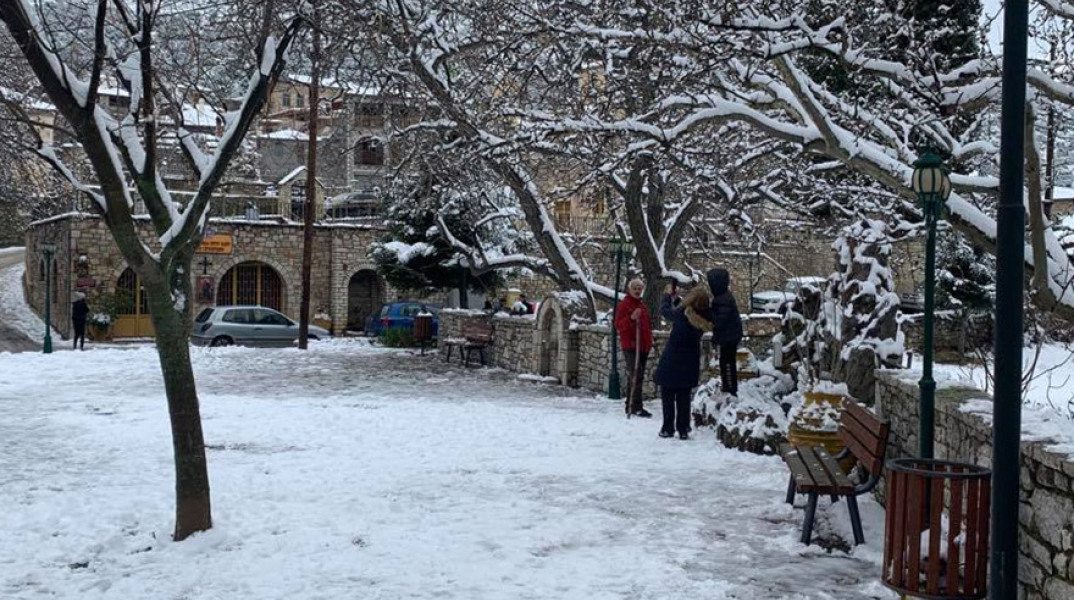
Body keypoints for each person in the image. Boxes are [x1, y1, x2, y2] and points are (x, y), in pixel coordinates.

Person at [655, 286, 712, 439]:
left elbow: (666, 312)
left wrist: (667, 296)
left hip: (672, 358)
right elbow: (686, 308)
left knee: (668, 395)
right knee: (684, 396)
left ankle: (668, 428)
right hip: (689, 361)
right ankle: (683, 428)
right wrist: (678, 300)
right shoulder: (705, 317)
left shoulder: (682, 314)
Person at [614, 278, 653, 418]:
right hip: (631, 346)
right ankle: (632, 406)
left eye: (639, 288)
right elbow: (618, 324)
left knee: (638, 376)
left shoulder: (642, 306)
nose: (637, 291)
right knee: (635, 374)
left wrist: (649, 341)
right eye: (635, 288)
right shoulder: (624, 305)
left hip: (643, 346)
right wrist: (631, 318)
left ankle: (635, 405)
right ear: (630, 289)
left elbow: (647, 325)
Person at [707, 268, 744, 396]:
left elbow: (720, 321)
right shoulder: (723, 297)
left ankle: (730, 388)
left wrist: (708, 314)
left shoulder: (722, 299)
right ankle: (728, 386)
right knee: (727, 361)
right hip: (730, 336)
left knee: (727, 363)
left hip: (729, 337)